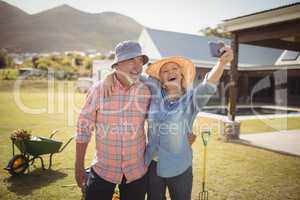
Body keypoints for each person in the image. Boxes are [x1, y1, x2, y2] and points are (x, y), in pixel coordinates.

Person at [103, 45, 233, 200]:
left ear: (181, 76)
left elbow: (207, 85)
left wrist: (221, 63)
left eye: (175, 69)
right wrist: (110, 75)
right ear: (162, 81)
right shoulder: (155, 93)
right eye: (165, 71)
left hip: (179, 167)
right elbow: (131, 73)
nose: (171, 72)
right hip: (152, 165)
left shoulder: (191, 100)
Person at [75, 41, 152, 200]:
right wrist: (78, 166)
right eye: (131, 60)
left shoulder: (147, 90)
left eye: (140, 61)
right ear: (117, 65)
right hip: (103, 169)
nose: (137, 65)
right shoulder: (99, 90)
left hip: (136, 170)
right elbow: (84, 129)